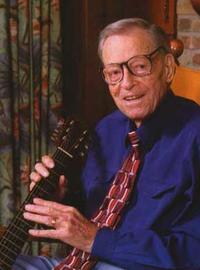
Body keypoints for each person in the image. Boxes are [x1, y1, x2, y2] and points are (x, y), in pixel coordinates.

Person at [13, 17, 200, 270]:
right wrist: (58, 199)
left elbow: (193, 253)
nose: (126, 83)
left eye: (139, 66)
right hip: (74, 263)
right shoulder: (105, 130)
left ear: (167, 68)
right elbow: (93, 215)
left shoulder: (194, 136)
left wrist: (95, 239)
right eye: (114, 73)